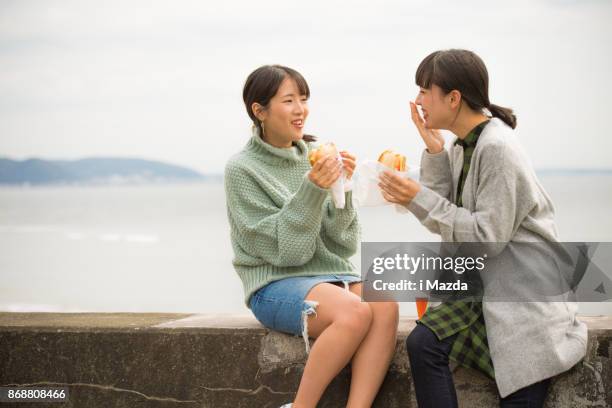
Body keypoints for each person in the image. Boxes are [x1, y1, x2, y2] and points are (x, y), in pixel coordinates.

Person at [378, 49, 587, 407]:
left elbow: (486, 239)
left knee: (519, 383)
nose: (418, 101)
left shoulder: (498, 148)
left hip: (523, 303)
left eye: (425, 91)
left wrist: (417, 196)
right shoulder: (465, 145)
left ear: (454, 98)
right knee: (424, 343)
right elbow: (447, 220)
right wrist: (434, 153)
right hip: (486, 290)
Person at [224, 64, 399, 408]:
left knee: (386, 303)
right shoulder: (241, 169)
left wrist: (343, 188)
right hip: (274, 285)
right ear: (259, 111)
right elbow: (286, 254)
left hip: (330, 277)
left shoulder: (314, 155)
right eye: (288, 100)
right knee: (354, 313)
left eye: (303, 99)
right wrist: (312, 189)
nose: (301, 109)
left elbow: (343, 244)